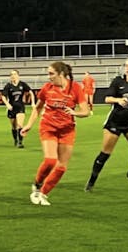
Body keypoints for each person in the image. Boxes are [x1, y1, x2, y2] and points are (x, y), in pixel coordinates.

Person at [21, 61, 90, 206]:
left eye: (51, 73)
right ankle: (37, 185)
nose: (49, 77)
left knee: (62, 167)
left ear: (62, 74)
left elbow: (86, 111)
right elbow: (38, 108)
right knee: (50, 160)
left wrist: (74, 112)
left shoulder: (76, 88)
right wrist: (29, 125)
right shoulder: (47, 88)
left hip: (67, 130)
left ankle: (43, 193)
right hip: (49, 127)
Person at [85, 56, 128, 191]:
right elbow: (107, 99)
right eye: (126, 66)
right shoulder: (118, 81)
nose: (127, 68)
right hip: (114, 122)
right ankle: (91, 181)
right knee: (105, 154)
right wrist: (118, 100)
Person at [2, 70, 34, 148]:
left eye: (15, 74)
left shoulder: (22, 84)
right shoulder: (8, 86)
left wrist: (33, 102)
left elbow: (31, 92)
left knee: (20, 125)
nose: (13, 76)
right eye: (11, 74)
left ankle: (20, 142)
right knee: (14, 126)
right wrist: (7, 104)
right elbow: (3, 96)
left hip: (20, 107)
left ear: (18, 75)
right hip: (12, 108)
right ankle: (15, 140)